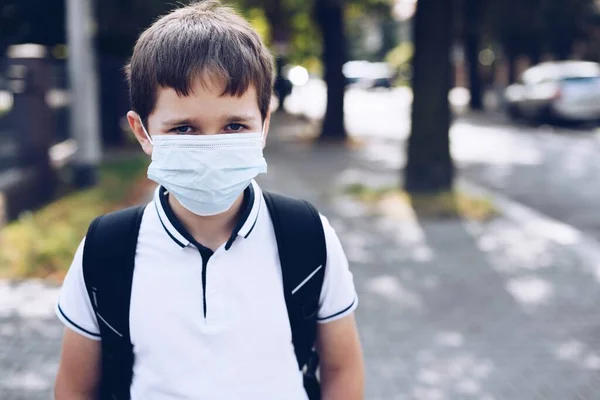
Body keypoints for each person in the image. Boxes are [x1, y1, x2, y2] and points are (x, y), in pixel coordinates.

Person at [53, 1, 364, 399]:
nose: (210, 147)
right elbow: (75, 388)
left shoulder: (306, 236)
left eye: (235, 125)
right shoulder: (107, 249)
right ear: (143, 132)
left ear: (264, 124)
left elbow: (342, 367)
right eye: (184, 128)